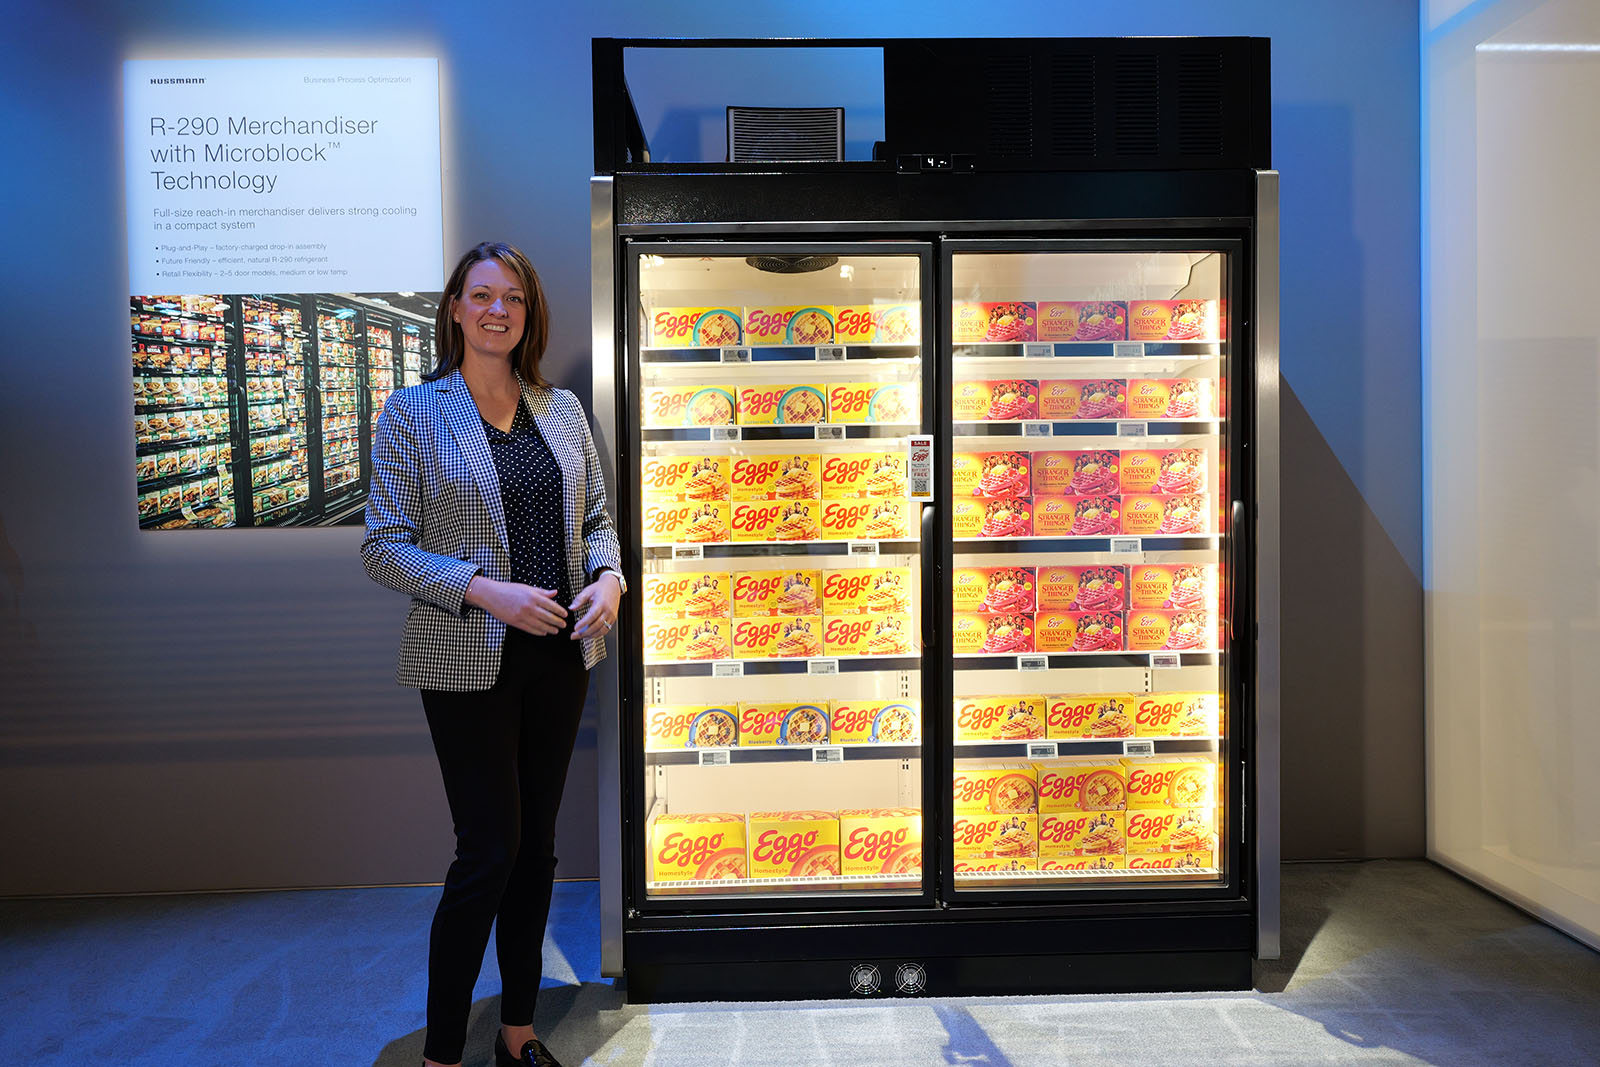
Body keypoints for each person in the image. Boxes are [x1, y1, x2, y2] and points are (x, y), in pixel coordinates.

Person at [362, 241, 622, 1067]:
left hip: (559, 657)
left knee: (538, 848)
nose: (497, 309)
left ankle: (517, 1032)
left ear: (528, 312)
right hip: (466, 660)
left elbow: (596, 522)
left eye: (513, 296)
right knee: (488, 852)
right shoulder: (412, 411)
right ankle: (443, 1052)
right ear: (454, 308)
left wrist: (611, 576)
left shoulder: (563, 410)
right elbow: (384, 548)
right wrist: (486, 588)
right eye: (482, 295)